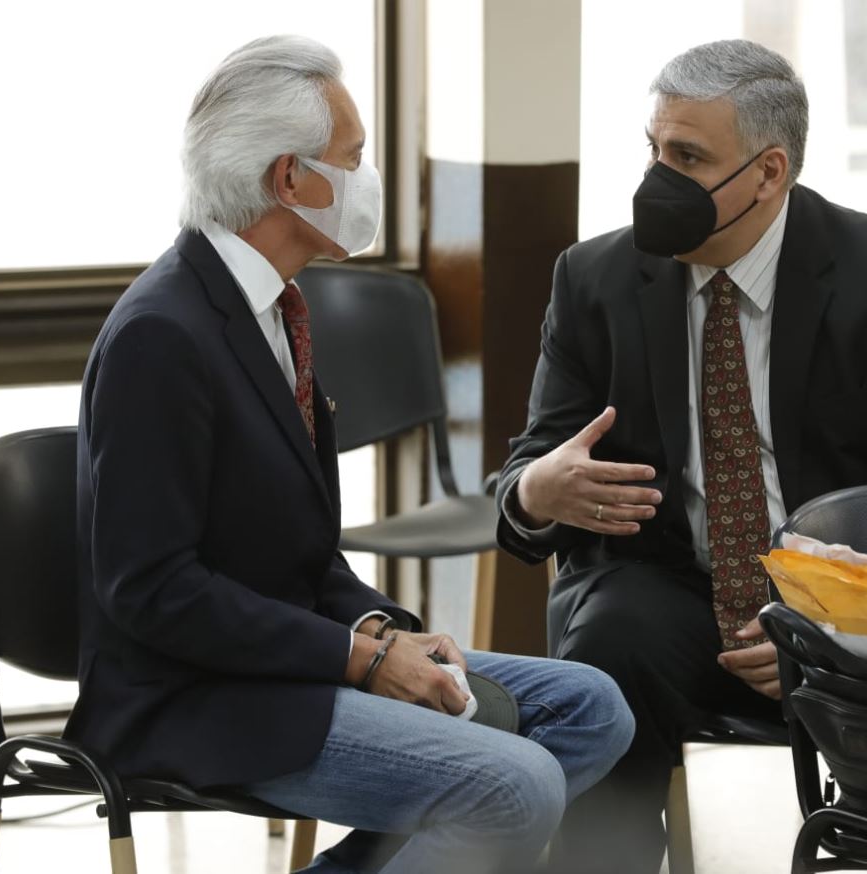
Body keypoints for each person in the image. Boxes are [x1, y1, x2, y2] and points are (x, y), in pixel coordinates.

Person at [64, 35, 634, 874]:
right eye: (355, 158)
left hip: (285, 663)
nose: (368, 180)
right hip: (195, 695)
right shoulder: (163, 335)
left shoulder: (273, 308)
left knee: (592, 708)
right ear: (290, 179)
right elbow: (152, 592)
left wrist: (382, 629)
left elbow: (298, 556)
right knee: (513, 788)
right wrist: (362, 660)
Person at [495, 39, 867, 874]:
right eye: (653, 149)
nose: (658, 179)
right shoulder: (596, 278)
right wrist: (539, 491)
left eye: (687, 157)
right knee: (608, 652)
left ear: (769, 172)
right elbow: (533, 468)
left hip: (837, 586)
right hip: (667, 588)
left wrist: (828, 616)